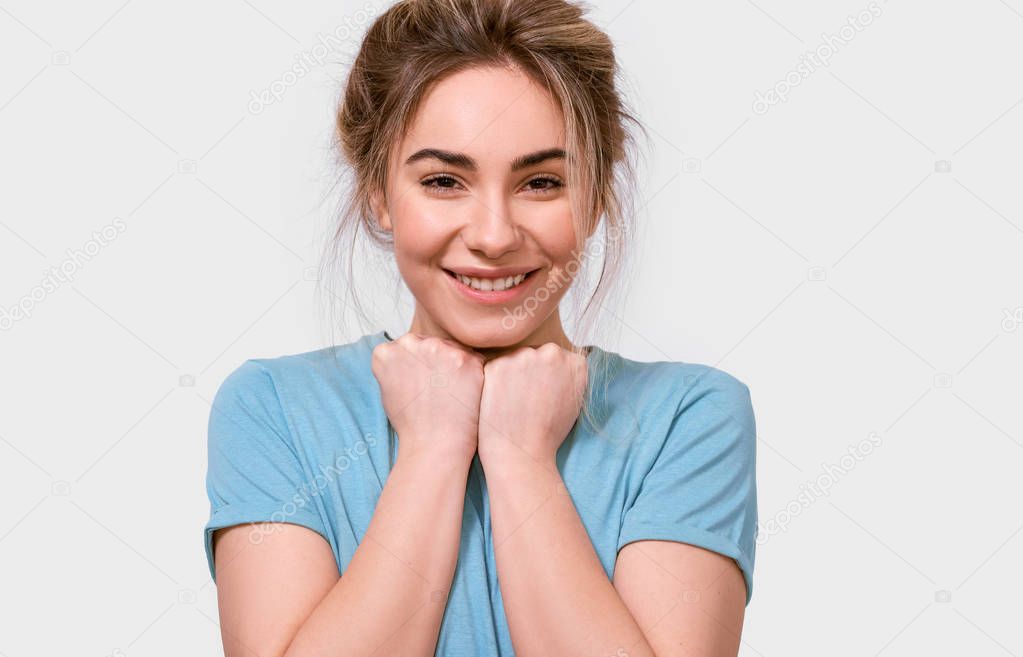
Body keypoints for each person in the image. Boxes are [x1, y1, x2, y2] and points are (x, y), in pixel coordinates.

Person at [203, 1, 758, 655]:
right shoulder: (275, 408)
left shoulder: (688, 418)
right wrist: (433, 446)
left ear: (597, 194)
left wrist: (521, 458)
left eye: (542, 182)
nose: (493, 235)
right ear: (378, 191)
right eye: (443, 180)